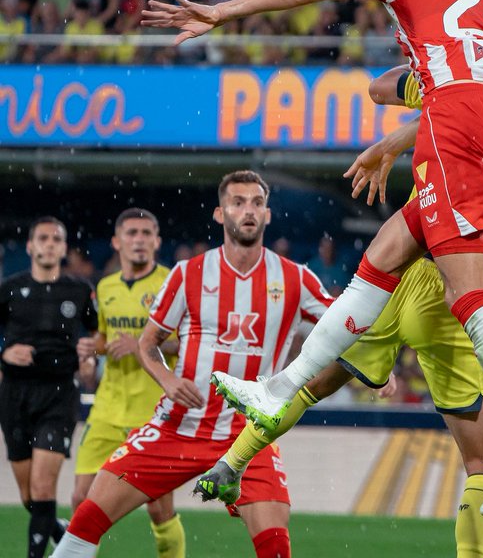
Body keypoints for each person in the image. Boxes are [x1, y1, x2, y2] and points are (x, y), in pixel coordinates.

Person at [143, 0, 483, 512]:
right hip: (482, 126)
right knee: (381, 256)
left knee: (471, 297)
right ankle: (275, 389)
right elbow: (475, 86)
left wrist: (223, 10)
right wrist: (404, 139)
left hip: (454, 130)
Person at [192, 23, 483, 558]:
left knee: (313, 380)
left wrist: (406, 129)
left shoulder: (452, 86)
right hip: (458, 287)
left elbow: (379, 87)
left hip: (395, 273)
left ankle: (231, 462)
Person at [50, 172, 334, 558]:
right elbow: (148, 343)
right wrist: (167, 380)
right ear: (220, 213)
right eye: (237, 202)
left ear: (267, 214)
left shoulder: (296, 279)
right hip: (179, 425)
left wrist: (375, 366)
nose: (247, 210)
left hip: (248, 434)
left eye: (255, 203)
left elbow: (342, 327)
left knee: (275, 547)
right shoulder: (188, 274)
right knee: (87, 517)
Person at [72, 209, 184, 558]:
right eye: (132, 233)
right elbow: (105, 339)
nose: (139, 239)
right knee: (81, 500)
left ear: (157, 241)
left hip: (152, 411)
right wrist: (91, 354)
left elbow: (188, 341)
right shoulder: (104, 287)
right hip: (107, 407)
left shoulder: (174, 282)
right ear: (117, 242)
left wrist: (140, 346)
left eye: (146, 233)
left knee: (159, 510)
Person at [1, 217, 97, 558]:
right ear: (30, 246)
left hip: (59, 395)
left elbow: (96, 334)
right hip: (14, 397)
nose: (49, 244)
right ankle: (63, 535)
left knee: (43, 488)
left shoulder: (79, 289)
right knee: (30, 497)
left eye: (57, 239)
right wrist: (5, 353)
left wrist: (88, 356)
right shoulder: (9, 288)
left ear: (63, 247)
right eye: (43, 238)